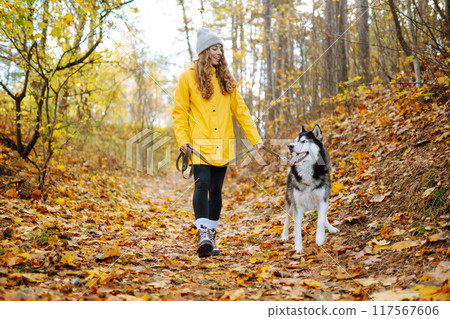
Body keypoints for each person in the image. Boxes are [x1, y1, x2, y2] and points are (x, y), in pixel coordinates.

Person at [172, 28, 263, 258]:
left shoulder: (226, 80)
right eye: (215, 48)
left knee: (216, 190)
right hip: (198, 145)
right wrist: (183, 140)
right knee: (201, 185)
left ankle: (210, 239)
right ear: (204, 51)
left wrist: (256, 139)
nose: (219, 53)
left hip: (222, 145)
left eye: (221, 49)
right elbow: (179, 113)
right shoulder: (187, 78)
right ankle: (202, 234)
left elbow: (241, 112)